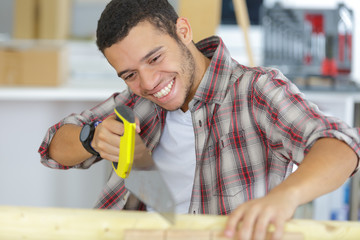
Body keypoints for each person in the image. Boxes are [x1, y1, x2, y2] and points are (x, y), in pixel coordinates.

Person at [39, 0, 360, 239]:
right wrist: (90, 138)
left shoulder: (255, 89)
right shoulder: (136, 102)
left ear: (183, 31)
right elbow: (52, 146)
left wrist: (285, 198)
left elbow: (341, 145)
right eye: (130, 74)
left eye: (155, 58)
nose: (149, 82)